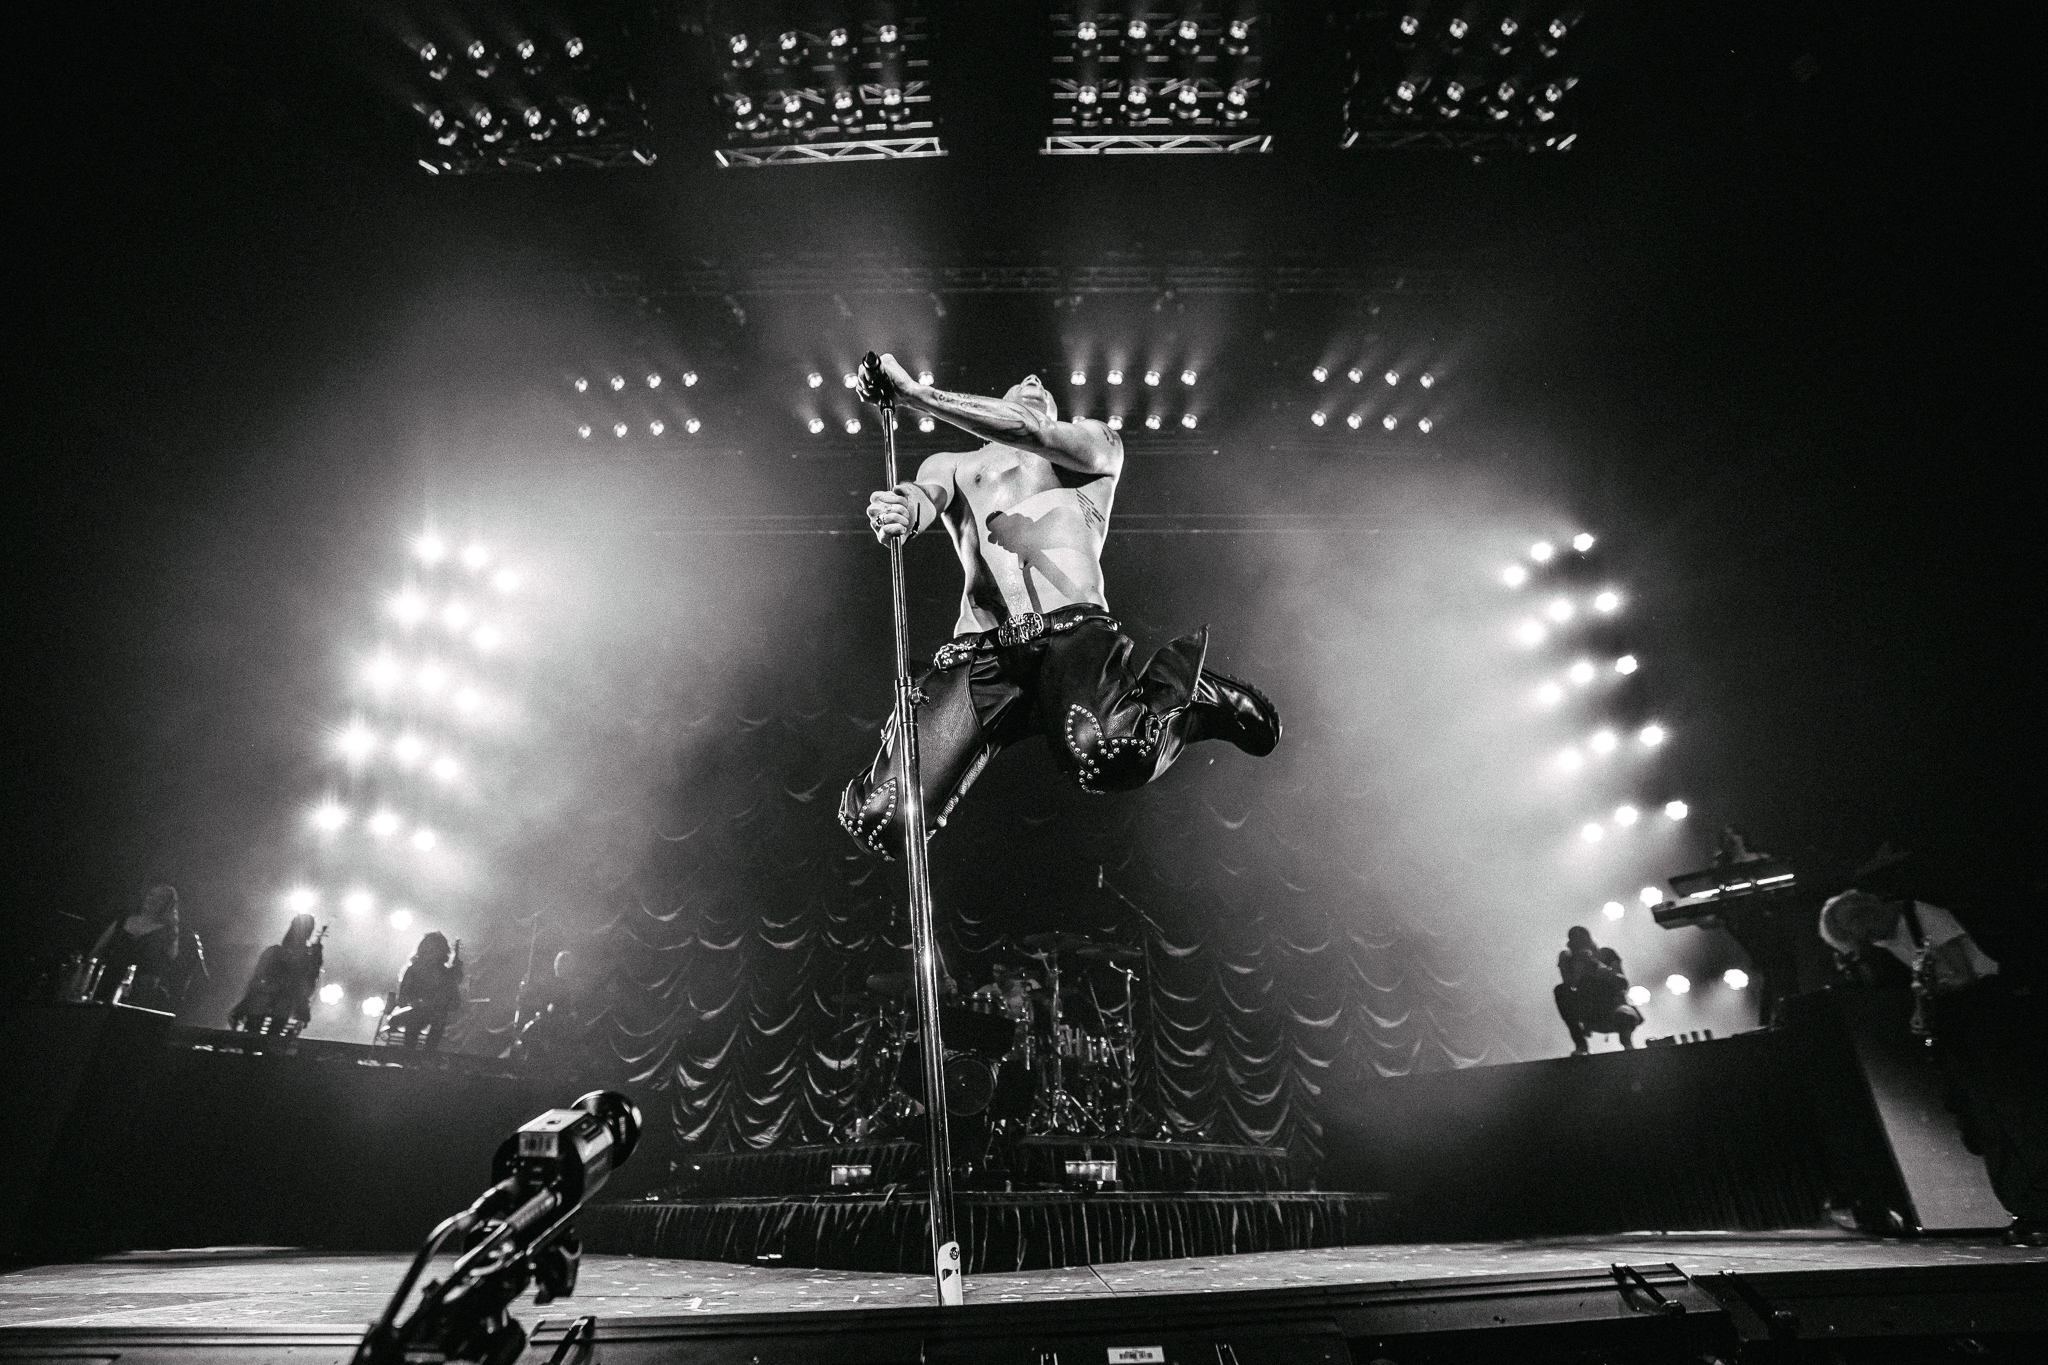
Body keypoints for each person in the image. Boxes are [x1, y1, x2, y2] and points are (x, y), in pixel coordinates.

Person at [838, 355, 1282, 861]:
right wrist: (900, 511)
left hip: (1070, 635)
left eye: (1042, 385)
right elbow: (920, 498)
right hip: (980, 654)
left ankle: (1190, 697)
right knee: (881, 819)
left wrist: (918, 395)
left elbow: (1035, 431)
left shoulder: (1093, 445)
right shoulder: (952, 464)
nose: (1032, 379)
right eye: (1020, 380)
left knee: (1111, 750)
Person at [1820, 889, 2045, 1245]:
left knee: (2015, 1113)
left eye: (1863, 933)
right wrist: (1921, 1009)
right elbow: (1931, 980)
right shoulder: (1889, 938)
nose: (1870, 941)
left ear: (1868, 914)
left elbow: (1963, 974)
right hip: (1961, 1025)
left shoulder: (1922, 915)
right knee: (1986, 1120)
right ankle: (2027, 1208)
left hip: (1989, 1015)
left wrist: (1931, 995)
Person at [90, 885, 184, 1010]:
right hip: (108, 979)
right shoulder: (123, 920)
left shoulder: (168, 932)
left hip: (140, 989)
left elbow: (169, 964)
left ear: (167, 905)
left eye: (160, 898)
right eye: (151, 895)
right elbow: (98, 949)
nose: (152, 899)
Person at [229, 913, 325, 1035]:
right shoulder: (275, 952)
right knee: (258, 1029)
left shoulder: (304, 956)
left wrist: (315, 958)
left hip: (280, 1003)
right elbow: (259, 977)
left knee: (273, 1030)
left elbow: (308, 981)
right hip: (266, 1000)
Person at [1555, 926, 1642, 1053]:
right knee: (1560, 991)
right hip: (1589, 1009)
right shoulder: (1568, 958)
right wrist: (1577, 966)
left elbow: (1622, 983)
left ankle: (1628, 1046)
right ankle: (1581, 1046)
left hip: (1612, 1006)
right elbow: (1568, 984)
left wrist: (1595, 963)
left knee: (1625, 1015)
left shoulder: (1606, 953)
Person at [389, 932, 464, 1050]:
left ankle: (426, 1054)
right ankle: (412, 1054)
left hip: (435, 1014)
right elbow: (403, 998)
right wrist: (417, 1003)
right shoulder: (414, 970)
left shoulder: (444, 972)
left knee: (439, 1018)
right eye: (431, 950)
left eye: (436, 950)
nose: (433, 954)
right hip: (415, 1013)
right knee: (416, 1020)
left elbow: (454, 999)